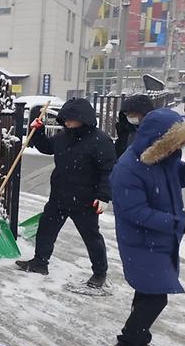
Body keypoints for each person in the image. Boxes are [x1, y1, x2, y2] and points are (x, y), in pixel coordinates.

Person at [110, 108, 185, 346]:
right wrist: (183, 225)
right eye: (175, 142)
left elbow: (181, 178)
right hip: (140, 241)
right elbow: (136, 212)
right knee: (156, 297)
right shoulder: (127, 169)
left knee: (146, 293)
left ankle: (139, 340)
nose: (179, 148)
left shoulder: (164, 158)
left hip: (162, 238)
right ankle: (126, 344)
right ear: (158, 141)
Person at [16, 98, 116, 290]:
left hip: (85, 201)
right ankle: (40, 263)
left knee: (91, 237)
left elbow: (108, 170)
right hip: (59, 197)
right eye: (65, 119)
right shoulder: (63, 136)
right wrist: (38, 131)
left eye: (71, 119)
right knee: (46, 230)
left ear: (83, 118)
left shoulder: (100, 141)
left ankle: (99, 273)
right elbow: (47, 147)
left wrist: (104, 196)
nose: (67, 123)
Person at [114, 94, 154, 158]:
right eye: (126, 114)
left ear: (144, 113)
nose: (129, 117)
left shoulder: (155, 132)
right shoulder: (125, 130)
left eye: (132, 114)